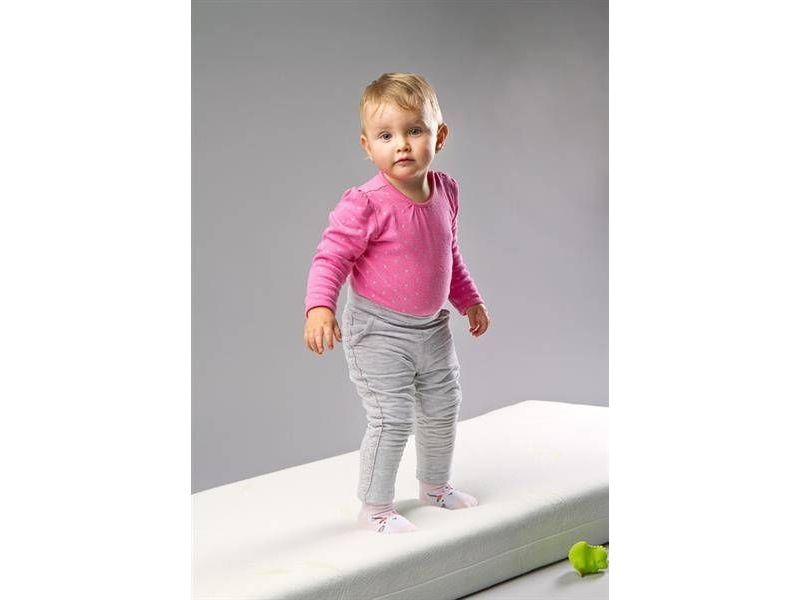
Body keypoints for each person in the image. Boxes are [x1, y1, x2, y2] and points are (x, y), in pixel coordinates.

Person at [303, 72, 490, 534]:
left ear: (439, 136)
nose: (402, 145)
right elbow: (331, 257)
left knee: (444, 405)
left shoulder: (445, 191)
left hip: (433, 328)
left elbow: (448, 254)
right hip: (378, 331)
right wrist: (320, 307)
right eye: (386, 136)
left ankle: (435, 486)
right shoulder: (365, 203)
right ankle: (375, 508)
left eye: (414, 130)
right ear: (368, 147)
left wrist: (469, 300)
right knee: (392, 418)